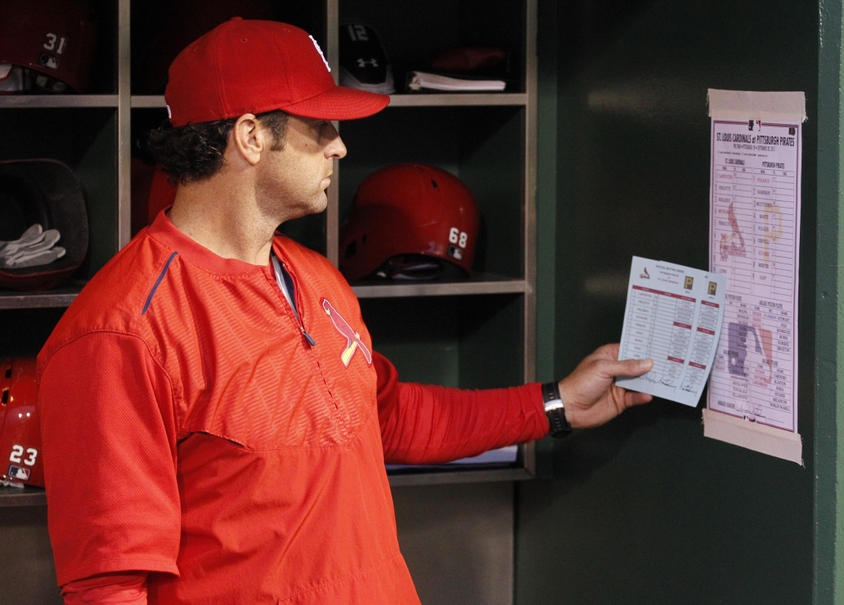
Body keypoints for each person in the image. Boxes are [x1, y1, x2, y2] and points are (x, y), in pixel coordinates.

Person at [36, 18, 653, 605]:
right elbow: (107, 584)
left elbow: (385, 417)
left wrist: (556, 404)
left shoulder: (315, 276)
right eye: (320, 126)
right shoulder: (121, 331)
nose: (340, 146)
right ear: (251, 137)